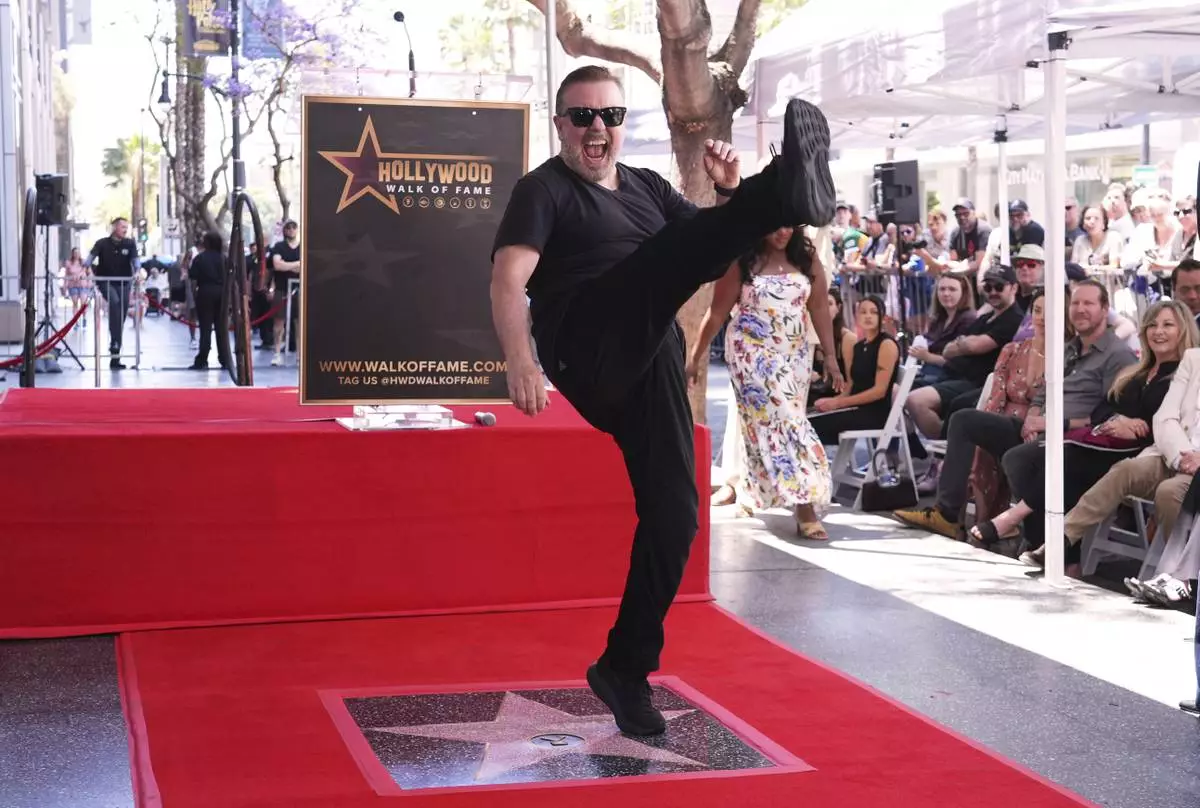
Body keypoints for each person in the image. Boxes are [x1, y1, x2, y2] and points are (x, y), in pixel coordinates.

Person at [490, 65, 837, 736]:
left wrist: (731, 194)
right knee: (653, 266)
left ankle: (623, 669)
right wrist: (519, 360)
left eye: (611, 116)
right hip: (585, 336)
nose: (597, 128)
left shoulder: (647, 186)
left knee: (677, 515)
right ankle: (782, 187)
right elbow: (508, 280)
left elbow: (706, 248)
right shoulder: (543, 189)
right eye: (583, 116)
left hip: (647, 353)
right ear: (561, 124)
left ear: (623, 125)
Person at [688, 226, 840, 540]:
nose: (783, 231)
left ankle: (753, 489)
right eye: (776, 224)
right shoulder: (743, 260)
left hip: (795, 353)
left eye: (789, 224)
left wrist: (831, 356)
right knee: (787, 421)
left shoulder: (806, 256)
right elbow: (716, 314)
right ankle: (805, 506)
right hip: (751, 350)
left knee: (769, 424)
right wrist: (695, 357)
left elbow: (819, 307)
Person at [809, 295, 901, 443]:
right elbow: (852, 386)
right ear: (857, 317)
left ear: (883, 318)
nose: (868, 316)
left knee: (809, 427)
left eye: (874, 312)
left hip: (872, 414)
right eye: (863, 312)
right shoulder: (859, 346)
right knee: (806, 418)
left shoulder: (886, 344)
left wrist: (838, 403)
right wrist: (832, 401)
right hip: (855, 408)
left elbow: (879, 391)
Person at [84, 217, 140, 369]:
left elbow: (136, 261)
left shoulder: (130, 243)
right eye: (122, 227)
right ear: (115, 227)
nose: (125, 230)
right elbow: (88, 260)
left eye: (126, 227)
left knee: (121, 316)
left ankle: (115, 352)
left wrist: (137, 272)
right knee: (114, 303)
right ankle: (114, 344)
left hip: (124, 283)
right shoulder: (102, 243)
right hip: (106, 282)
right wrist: (88, 271)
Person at [187, 232, 233, 371]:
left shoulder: (200, 258)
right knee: (221, 328)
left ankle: (202, 359)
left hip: (205, 292)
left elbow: (193, 278)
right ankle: (224, 358)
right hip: (222, 293)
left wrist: (195, 294)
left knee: (205, 328)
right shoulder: (224, 258)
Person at [270, 220, 301, 366]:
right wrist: (297, 264)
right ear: (284, 230)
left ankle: (300, 356)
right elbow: (277, 265)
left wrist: (286, 265)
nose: (291, 230)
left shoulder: (303, 246)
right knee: (278, 323)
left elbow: (305, 267)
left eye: (294, 227)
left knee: (299, 323)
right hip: (281, 289)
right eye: (288, 227)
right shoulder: (279, 247)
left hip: (299, 289)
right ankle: (277, 353)